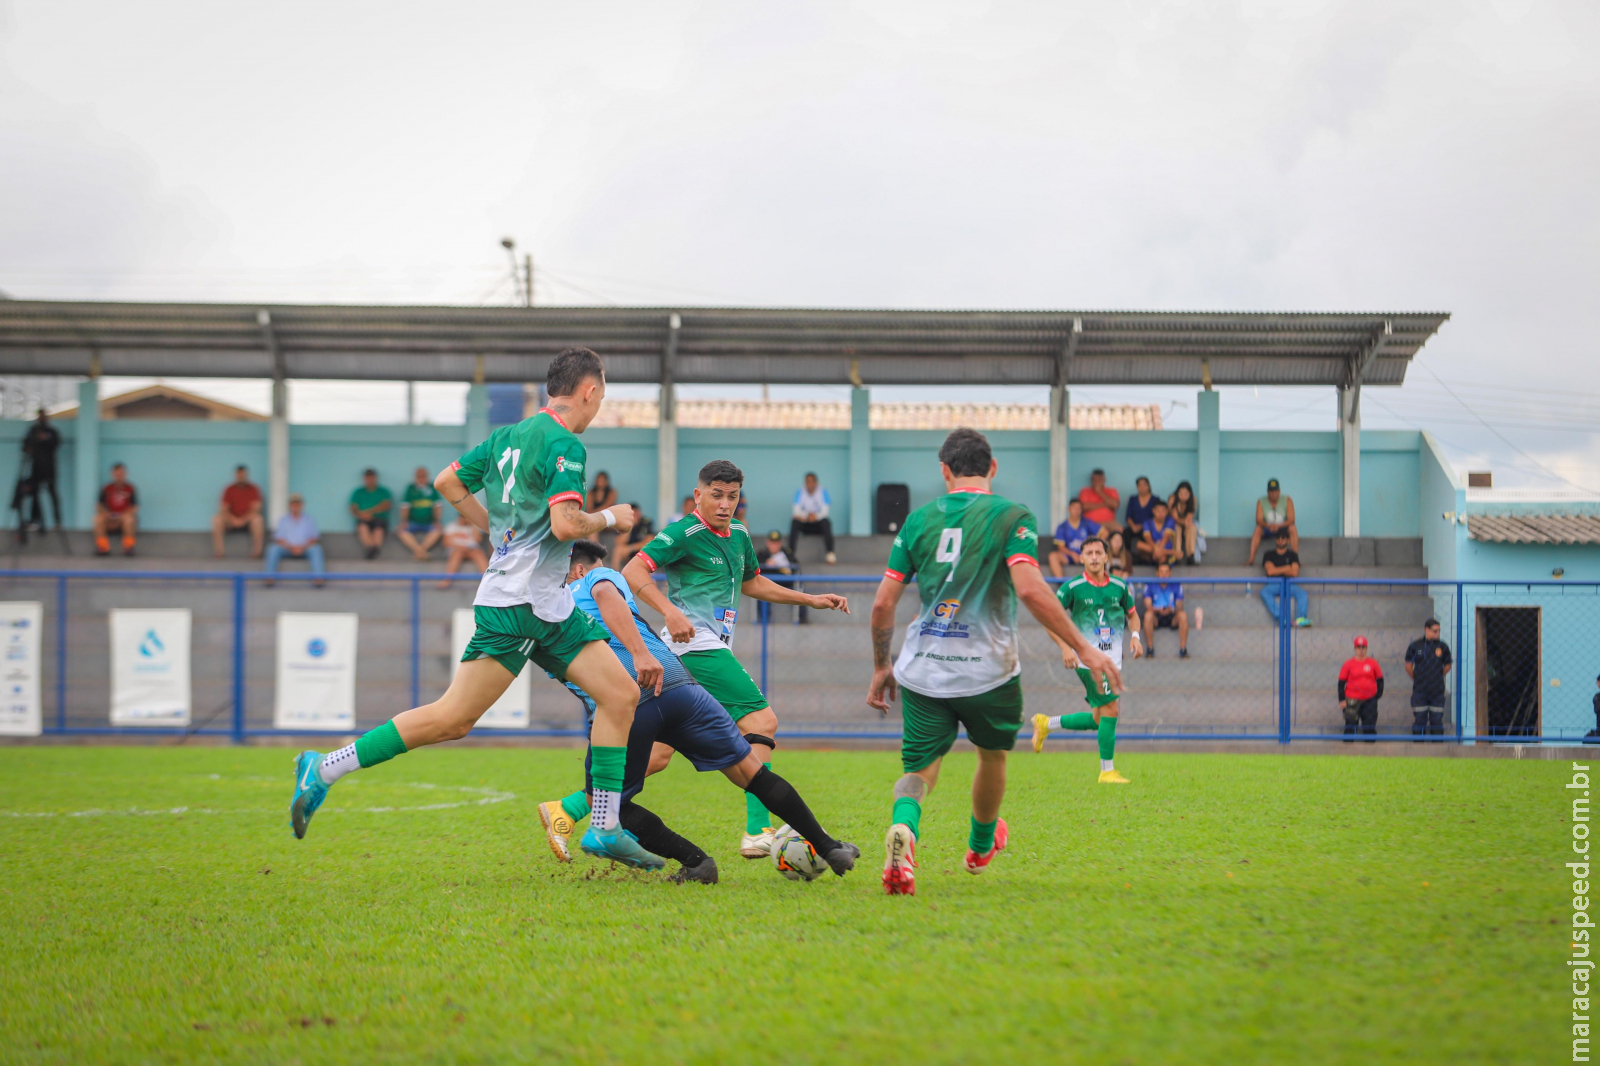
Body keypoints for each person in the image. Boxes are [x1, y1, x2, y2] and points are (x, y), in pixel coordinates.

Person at [288, 347, 660, 869]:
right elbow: (565, 526)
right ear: (590, 391)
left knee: (620, 696)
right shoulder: (563, 444)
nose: (599, 404)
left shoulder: (507, 436)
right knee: (451, 719)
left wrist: (497, 533)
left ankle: (603, 826)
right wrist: (610, 516)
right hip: (519, 607)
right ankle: (324, 768)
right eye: (603, 395)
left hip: (543, 605)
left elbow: (447, 483)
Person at [867, 428, 1122, 896]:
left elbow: (883, 604)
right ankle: (980, 847)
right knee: (991, 755)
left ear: (944, 471)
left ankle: (905, 831)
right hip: (989, 670)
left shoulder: (918, 521)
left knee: (919, 770)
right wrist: (1083, 647)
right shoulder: (1012, 516)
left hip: (924, 668)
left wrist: (882, 664)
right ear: (993, 468)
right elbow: (1028, 588)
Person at [534, 540, 858, 882]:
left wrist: (639, 655)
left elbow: (603, 592)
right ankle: (828, 846)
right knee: (753, 773)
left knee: (606, 804)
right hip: (681, 688)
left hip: (627, 706)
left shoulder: (586, 583)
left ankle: (697, 862)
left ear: (579, 568)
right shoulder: (560, 605)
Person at [622, 459, 849, 858]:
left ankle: (568, 809)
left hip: (694, 653)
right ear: (698, 495)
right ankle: (757, 830)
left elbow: (753, 583)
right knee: (762, 721)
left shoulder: (739, 533)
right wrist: (669, 611)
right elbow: (632, 569)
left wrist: (809, 598)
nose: (725, 504)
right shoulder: (683, 532)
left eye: (732, 496)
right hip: (694, 648)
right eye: (716, 495)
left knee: (657, 755)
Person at [1029, 537, 1142, 781]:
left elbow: (1133, 616)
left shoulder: (1121, 587)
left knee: (1098, 718)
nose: (1093, 557)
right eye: (1088, 553)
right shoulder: (1072, 588)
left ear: (1106, 557)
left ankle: (1046, 723)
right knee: (1112, 708)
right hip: (1086, 660)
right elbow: (1050, 618)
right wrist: (1065, 647)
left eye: (1097, 552)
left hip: (1112, 660)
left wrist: (1135, 635)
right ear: (1081, 558)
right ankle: (1107, 771)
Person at [1404, 618, 1453, 738]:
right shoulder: (1416, 646)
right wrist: (1417, 678)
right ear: (1427, 629)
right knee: (1420, 719)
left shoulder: (1443, 646)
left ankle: (1437, 750)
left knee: (1436, 720)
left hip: (1437, 690)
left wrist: (1438, 675)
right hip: (1420, 690)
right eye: (1435, 631)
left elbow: (1448, 664)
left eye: (1439, 631)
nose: (1438, 634)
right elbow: (1408, 665)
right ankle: (1418, 750)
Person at [263, 493, 325, 587]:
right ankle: (269, 577)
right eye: (293, 504)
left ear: (302, 505)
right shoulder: (283, 520)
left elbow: (314, 538)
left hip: (305, 548)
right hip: (287, 549)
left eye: (298, 504)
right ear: (289, 505)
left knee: (316, 549)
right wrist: (292, 547)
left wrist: (302, 547)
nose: (295, 506)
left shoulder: (310, 519)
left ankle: (318, 578)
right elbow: (279, 539)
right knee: (273, 548)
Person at [20, 410, 61, 531]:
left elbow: (56, 443)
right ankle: (34, 520)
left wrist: (44, 438)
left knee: (53, 493)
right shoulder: (33, 431)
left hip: (49, 468)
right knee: (34, 493)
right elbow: (25, 446)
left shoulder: (52, 431)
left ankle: (57, 521)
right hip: (36, 468)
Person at [211, 465, 264, 558]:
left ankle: (257, 553)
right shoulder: (229, 489)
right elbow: (223, 508)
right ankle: (219, 552)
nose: (241, 477)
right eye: (239, 474)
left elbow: (256, 508)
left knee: (258, 519)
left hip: (248, 521)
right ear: (235, 475)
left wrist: (243, 520)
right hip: (231, 521)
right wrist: (233, 519)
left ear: (246, 475)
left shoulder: (253, 489)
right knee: (216, 519)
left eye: (243, 474)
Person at [1260, 529, 1311, 627]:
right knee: (1264, 592)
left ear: (1288, 540)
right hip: (1274, 583)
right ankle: (1282, 618)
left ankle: (1301, 619)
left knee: (1302, 594)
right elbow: (1270, 571)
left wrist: (1277, 569)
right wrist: (1287, 568)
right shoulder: (1269, 554)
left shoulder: (1293, 555)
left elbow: (1294, 573)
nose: (1280, 540)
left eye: (1283, 538)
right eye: (1278, 538)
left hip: (1289, 583)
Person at [1338, 635, 1383, 739]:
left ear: (1366, 649)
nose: (1361, 650)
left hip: (1369, 700)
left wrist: (1376, 696)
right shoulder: (1348, 664)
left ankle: (1370, 752)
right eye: (1359, 647)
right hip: (1352, 700)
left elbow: (1380, 680)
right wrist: (1342, 700)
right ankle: (1348, 752)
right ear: (1355, 648)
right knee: (1350, 727)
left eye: (1363, 647)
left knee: (1370, 727)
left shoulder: (1373, 663)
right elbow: (1341, 683)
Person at [1142, 561, 1189, 659]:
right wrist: (1158, 610)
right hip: (1156, 615)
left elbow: (1179, 606)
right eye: (1161, 572)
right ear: (1157, 573)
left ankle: (1183, 649)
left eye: (1166, 572)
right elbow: (1148, 606)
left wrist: (1172, 609)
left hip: (1171, 615)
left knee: (1183, 615)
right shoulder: (1150, 585)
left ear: (1170, 573)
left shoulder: (1176, 585)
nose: (1164, 574)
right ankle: (1150, 649)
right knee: (1147, 615)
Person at [397, 465, 444, 560]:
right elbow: (405, 506)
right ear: (415, 477)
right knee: (401, 531)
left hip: (429, 523)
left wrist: (437, 521)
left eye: (423, 476)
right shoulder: (410, 488)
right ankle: (421, 553)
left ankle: (419, 552)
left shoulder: (432, 487)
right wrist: (404, 522)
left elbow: (437, 506)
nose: (421, 478)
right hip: (413, 522)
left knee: (438, 530)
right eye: (419, 476)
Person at [1247, 478, 1298, 565]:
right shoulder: (1261, 501)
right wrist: (1269, 526)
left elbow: (1291, 519)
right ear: (1267, 491)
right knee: (1258, 529)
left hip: (1283, 528)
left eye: (1276, 491)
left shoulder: (1287, 500)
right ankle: (1251, 559)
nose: (1274, 493)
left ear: (1279, 491)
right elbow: (1258, 520)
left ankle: (1296, 559)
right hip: (1268, 528)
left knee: (1292, 528)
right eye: (1271, 491)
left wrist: (1278, 526)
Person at [790, 472, 837, 565]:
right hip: (805, 524)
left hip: (818, 525)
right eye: (807, 482)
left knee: (826, 522)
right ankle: (790, 555)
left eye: (812, 482)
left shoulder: (823, 491)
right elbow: (795, 511)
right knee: (795, 522)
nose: (809, 484)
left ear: (816, 483)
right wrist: (807, 516)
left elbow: (825, 512)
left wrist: (814, 516)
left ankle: (830, 553)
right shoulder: (800, 492)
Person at [1047, 498, 1099, 578]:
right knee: (1053, 556)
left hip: (1086, 555)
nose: (1076, 511)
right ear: (1069, 509)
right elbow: (1060, 547)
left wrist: (1093, 542)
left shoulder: (1086, 523)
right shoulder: (1062, 526)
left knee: (1100, 554)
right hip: (1069, 556)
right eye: (1074, 508)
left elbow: (1104, 533)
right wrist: (1072, 554)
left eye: (1079, 508)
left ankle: (1098, 584)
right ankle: (1062, 586)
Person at [93, 462, 138, 556]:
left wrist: (122, 516)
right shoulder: (106, 488)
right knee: (97, 519)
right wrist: (107, 514)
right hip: (109, 517)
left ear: (125, 474)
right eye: (117, 474)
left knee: (129, 519)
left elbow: (134, 507)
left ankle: (128, 547)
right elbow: (99, 505)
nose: (119, 476)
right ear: (112, 474)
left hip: (123, 518)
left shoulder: (130, 488)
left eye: (121, 473)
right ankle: (102, 547)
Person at [349, 468, 393, 560]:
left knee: (378, 529)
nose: (370, 480)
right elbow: (353, 508)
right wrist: (362, 515)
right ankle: (373, 549)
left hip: (379, 519)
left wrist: (369, 512)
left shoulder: (383, 491)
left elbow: (386, 505)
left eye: (372, 477)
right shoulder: (358, 492)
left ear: (376, 478)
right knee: (362, 527)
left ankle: (372, 551)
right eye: (367, 478)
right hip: (363, 519)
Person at [436, 517, 487, 590]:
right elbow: (446, 542)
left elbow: (478, 540)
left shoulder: (474, 527)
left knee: (479, 554)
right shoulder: (452, 526)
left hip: (471, 549)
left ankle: (487, 580)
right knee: (457, 553)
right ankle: (447, 580)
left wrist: (473, 525)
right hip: (456, 549)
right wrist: (460, 547)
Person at [1134, 498, 1180, 565]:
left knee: (1162, 557)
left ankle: (1162, 562)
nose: (1161, 514)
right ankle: (1169, 552)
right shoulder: (1147, 522)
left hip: (1165, 548)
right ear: (1153, 511)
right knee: (1139, 545)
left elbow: (1166, 538)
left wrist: (1158, 551)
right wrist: (1156, 548)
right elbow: (1147, 538)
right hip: (1153, 549)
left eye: (1163, 511)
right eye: (1158, 511)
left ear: (1167, 511)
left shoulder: (1170, 521)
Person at [610, 503, 654, 568]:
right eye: (633, 514)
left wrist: (631, 548)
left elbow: (649, 542)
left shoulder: (645, 522)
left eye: (637, 513)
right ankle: (615, 575)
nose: (635, 516)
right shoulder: (622, 522)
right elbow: (619, 542)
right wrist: (630, 525)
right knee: (618, 550)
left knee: (650, 551)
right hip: (627, 553)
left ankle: (652, 576)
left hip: (640, 550)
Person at [1168, 480, 1199, 564]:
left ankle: (1191, 556)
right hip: (1175, 523)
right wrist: (1184, 522)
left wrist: (1187, 522)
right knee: (1177, 528)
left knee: (1192, 527)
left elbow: (1189, 517)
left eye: (1186, 494)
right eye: (1181, 494)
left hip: (1185, 524)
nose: (1183, 496)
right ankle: (1177, 555)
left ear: (1190, 494)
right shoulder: (1172, 498)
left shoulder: (1193, 500)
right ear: (1177, 493)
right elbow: (1175, 518)